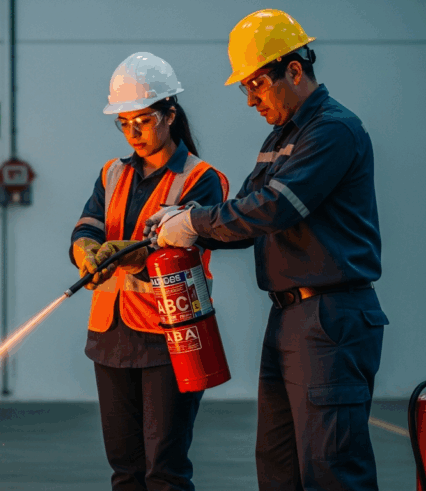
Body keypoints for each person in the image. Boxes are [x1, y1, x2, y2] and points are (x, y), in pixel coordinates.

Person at [146, 9, 389, 491]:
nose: (251, 99)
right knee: (278, 468)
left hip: (330, 319)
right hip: (291, 319)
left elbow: (274, 209)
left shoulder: (332, 130)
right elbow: (249, 215)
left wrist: (192, 222)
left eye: (256, 84)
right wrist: (184, 224)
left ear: (294, 70)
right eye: (246, 89)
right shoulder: (282, 137)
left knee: (331, 469)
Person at [70, 52, 229, 491]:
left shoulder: (200, 178)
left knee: (165, 469)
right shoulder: (111, 174)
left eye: (141, 119)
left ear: (170, 114)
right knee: (125, 469)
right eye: (123, 122)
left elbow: (190, 240)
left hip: (171, 336)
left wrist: (129, 253)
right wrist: (85, 250)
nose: (132, 132)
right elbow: (88, 225)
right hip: (112, 337)